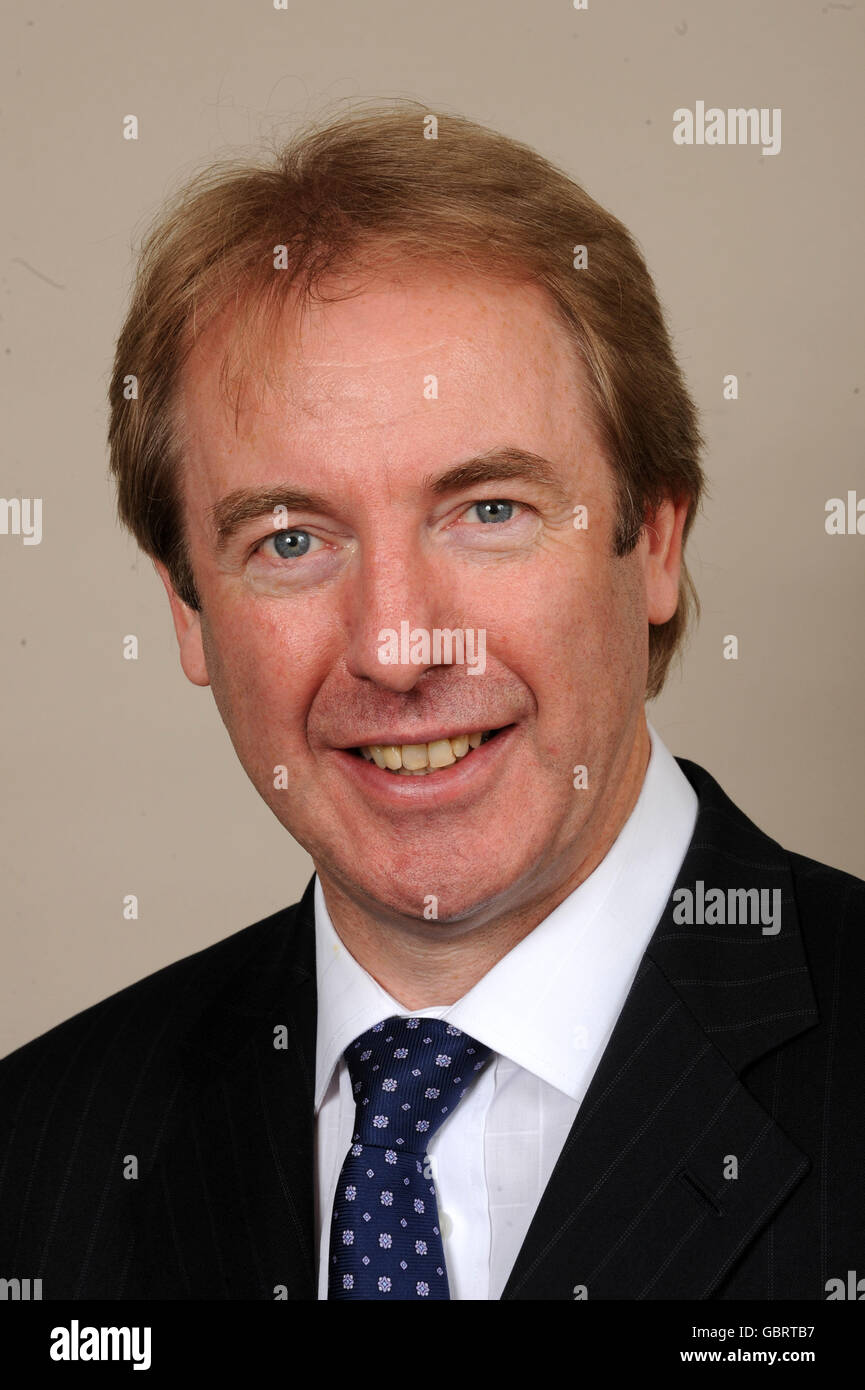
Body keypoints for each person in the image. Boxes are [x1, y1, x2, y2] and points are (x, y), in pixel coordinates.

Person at [0, 102, 861, 1301]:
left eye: (489, 511)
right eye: (291, 538)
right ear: (189, 609)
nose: (398, 648)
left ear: (654, 537)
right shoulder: (37, 1155)